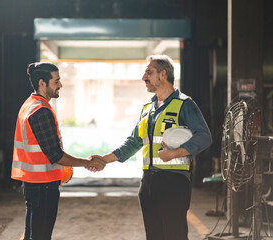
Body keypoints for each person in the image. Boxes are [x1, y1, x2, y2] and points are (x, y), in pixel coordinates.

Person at [91, 55, 212, 240]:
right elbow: (133, 142)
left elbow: (204, 137)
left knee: (175, 235)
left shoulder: (185, 104)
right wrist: (103, 160)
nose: (143, 77)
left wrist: (174, 153)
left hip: (174, 183)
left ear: (163, 75)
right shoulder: (148, 108)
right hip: (148, 183)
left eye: (149, 72)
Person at [11, 62, 106, 240]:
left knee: (32, 236)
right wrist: (87, 162)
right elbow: (55, 155)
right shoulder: (40, 111)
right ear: (42, 83)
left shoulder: (29, 105)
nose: (60, 85)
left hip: (33, 184)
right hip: (43, 186)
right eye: (56, 81)